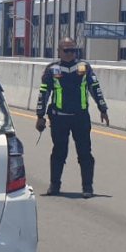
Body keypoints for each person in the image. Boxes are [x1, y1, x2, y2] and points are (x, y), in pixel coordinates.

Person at [35, 37, 110, 198]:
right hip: (59, 118)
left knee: (85, 153)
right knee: (59, 152)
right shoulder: (52, 69)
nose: (70, 54)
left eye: (73, 50)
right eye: (66, 50)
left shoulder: (84, 67)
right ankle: (54, 186)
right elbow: (43, 93)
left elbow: (95, 88)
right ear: (59, 51)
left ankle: (87, 187)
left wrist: (103, 108)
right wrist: (40, 116)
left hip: (80, 118)